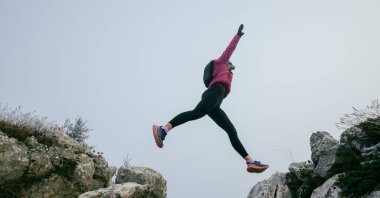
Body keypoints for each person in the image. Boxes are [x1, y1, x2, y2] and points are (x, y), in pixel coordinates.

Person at [153, 24, 269, 173]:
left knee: (231, 131)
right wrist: (238, 36)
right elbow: (229, 50)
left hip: (216, 101)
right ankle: (163, 129)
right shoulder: (220, 62)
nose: (232, 66)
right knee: (196, 113)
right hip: (214, 92)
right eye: (230, 64)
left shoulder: (227, 74)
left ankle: (250, 162)